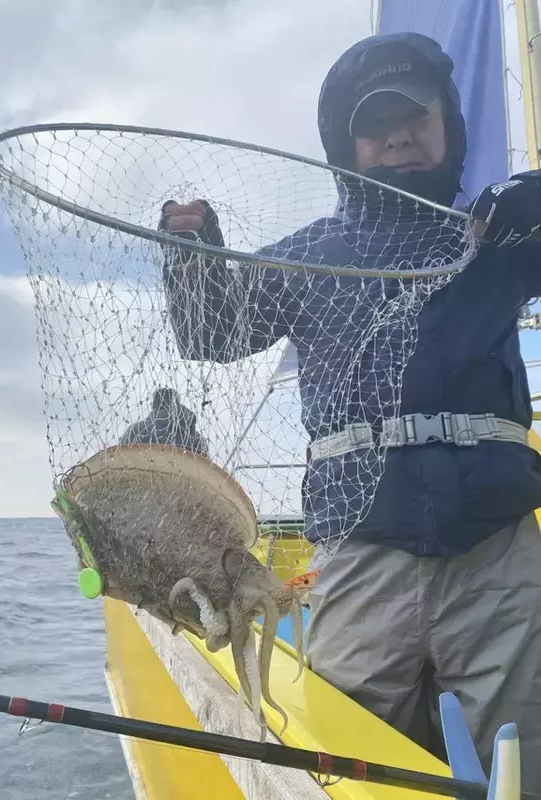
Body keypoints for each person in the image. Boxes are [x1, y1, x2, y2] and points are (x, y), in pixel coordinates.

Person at [159, 31, 541, 792]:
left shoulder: (498, 241)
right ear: (347, 144)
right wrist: (192, 254)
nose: (399, 135)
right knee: (358, 765)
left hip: (496, 556)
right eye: (376, 124)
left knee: (519, 758)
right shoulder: (312, 252)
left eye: (416, 116)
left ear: (448, 127)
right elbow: (212, 335)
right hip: (361, 556)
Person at [120, 387, 209, 457]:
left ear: (154, 404)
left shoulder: (136, 430)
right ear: (177, 403)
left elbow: (120, 458)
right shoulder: (197, 439)